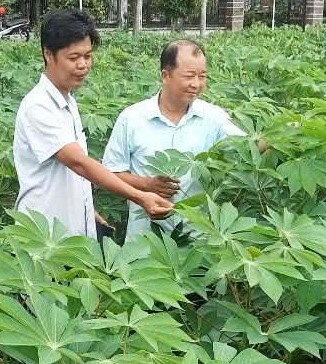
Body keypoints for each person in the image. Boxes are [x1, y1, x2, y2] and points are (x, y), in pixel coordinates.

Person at [13, 10, 173, 239]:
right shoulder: (38, 106)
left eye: (87, 56)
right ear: (49, 55)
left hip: (71, 232)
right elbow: (80, 163)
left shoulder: (68, 102)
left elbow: (70, 174)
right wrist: (139, 196)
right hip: (44, 235)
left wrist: (87, 209)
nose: (83, 65)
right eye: (73, 58)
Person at [103, 40, 249, 241]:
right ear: (166, 76)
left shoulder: (214, 117)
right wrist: (146, 184)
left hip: (199, 240)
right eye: (189, 76)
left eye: (202, 76)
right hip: (144, 242)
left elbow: (248, 147)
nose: (196, 84)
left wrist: (282, 134)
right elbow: (110, 173)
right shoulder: (132, 118)